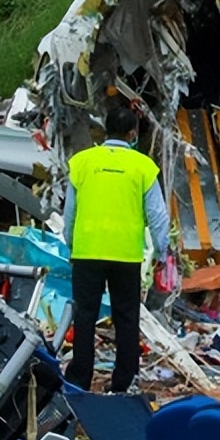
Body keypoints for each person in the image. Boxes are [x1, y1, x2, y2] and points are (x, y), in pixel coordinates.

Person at [62, 107, 170, 393]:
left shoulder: (82, 162)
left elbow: (70, 212)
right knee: (126, 317)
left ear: (105, 130)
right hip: (125, 255)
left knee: (85, 316)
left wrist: (71, 244)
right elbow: (158, 216)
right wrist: (162, 253)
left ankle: (79, 379)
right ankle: (124, 381)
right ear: (132, 133)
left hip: (87, 252)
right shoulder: (143, 166)